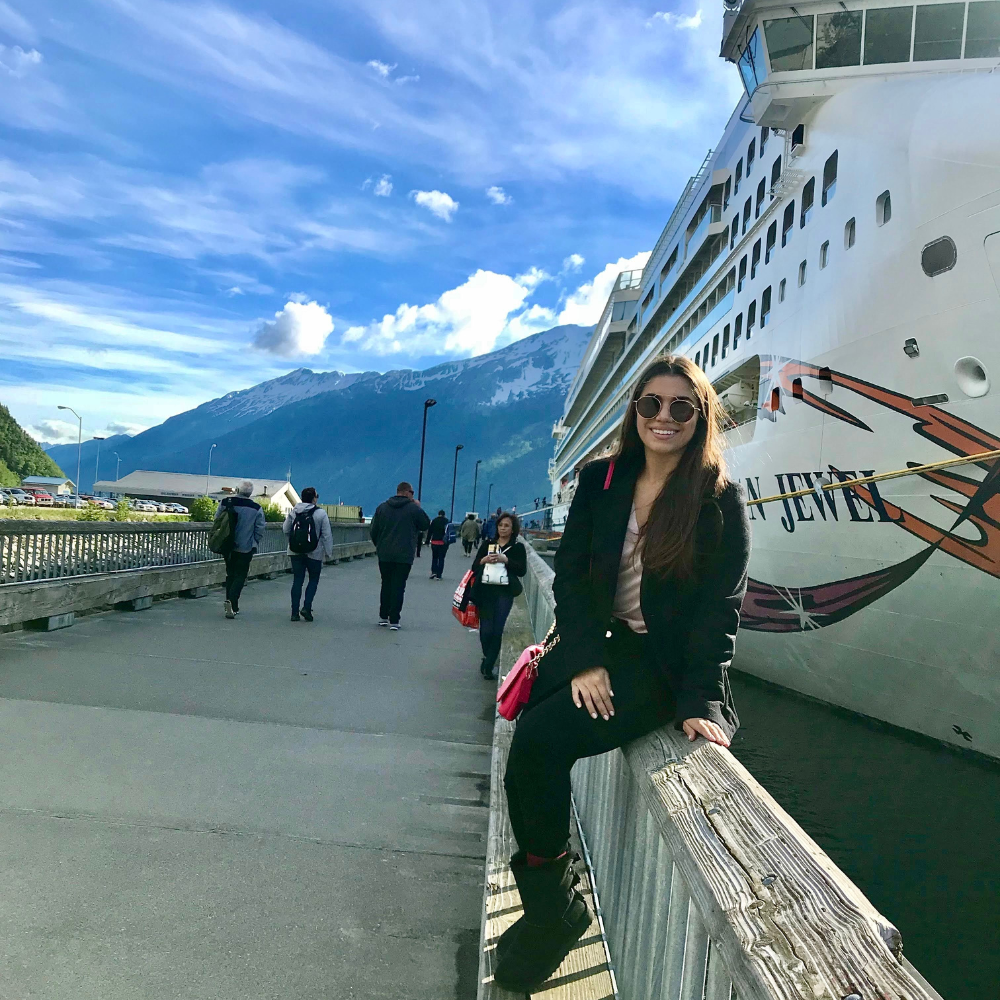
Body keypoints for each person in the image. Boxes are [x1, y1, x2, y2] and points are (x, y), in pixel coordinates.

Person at [493, 355, 752, 992]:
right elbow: (578, 581)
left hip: (660, 669)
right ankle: (554, 900)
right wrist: (585, 660)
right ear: (634, 412)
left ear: (700, 418)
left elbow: (720, 609)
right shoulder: (601, 479)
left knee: (540, 745)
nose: (664, 418)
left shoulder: (717, 500)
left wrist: (701, 701)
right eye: (651, 405)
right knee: (523, 756)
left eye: (681, 408)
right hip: (600, 646)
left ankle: (554, 910)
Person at [471, 511, 527, 680]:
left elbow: (522, 570)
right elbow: (474, 566)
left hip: (504, 592)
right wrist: (484, 560)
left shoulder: (517, 547)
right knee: (486, 630)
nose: (503, 528)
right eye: (501, 525)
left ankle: (488, 665)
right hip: (485, 591)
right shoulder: (487, 544)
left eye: (506, 526)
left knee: (498, 629)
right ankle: (488, 656)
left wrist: (506, 560)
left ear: (512, 529)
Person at [369, 481, 430, 630]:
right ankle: (394, 620)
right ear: (407, 492)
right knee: (399, 586)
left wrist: (380, 546)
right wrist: (417, 507)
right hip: (404, 555)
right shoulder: (413, 509)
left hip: (385, 554)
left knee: (386, 583)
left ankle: (383, 616)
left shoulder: (382, 507)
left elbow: (373, 530)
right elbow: (426, 524)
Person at [215, 481, 266, 619]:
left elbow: (217, 520)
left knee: (230, 573)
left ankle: (231, 604)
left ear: (238, 490)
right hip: (245, 547)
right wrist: (254, 541)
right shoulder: (256, 508)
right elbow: (260, 528)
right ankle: (232, 602)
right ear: (250, 493)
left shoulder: (225, 502)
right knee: (240, 575)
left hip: (227, 545)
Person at [283, 487, 333, 622]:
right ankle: (306, 607)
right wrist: (328, 553)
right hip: (314, 552)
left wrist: (294, 541)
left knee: (297, 580)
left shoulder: (294, 511)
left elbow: (285, 529)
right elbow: (327, 535)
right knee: (313, 579)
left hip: (295, 551)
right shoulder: (321, 514)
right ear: (314, 498)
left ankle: (294, 613)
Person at [427, 509, 449, 580]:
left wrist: (427, 541)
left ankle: (434, 571)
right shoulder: (447, 521)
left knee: (434, 557)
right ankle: (439, 575)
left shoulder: (434, 521)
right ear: (444, 514)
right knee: (441, 558)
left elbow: (430, 531)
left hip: (434, 542)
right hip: (443, 543)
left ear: (438, 514)